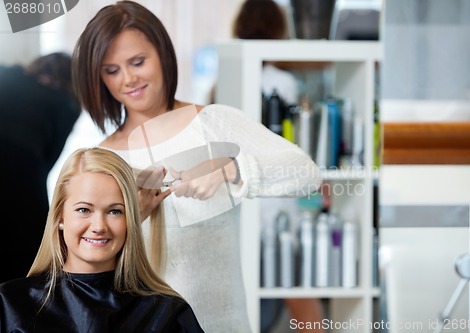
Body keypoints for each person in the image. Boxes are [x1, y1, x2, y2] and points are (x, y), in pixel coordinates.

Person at [72, 1, 322, 332]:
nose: (128, 79)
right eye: (112, 70)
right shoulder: (104, 158)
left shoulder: (213, 124)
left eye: (137, 62)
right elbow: (87, 265)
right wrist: (133, 218)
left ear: (162, 54)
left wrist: (229, 169)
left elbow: (306, 174)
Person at [0, 147, 205, 332]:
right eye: (83, 210)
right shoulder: (10, 305)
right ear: (60, 217)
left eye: (115, 211)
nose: (99, 227)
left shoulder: (168, 314)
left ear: (131, 219)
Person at [232, 1, 327, 333]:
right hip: (276, 197)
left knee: (249, 295)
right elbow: (292, 147)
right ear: (278, 29)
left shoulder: (230, 76)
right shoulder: (282, 82)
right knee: (296, 288)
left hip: (240, 198)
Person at [0, 52, 81, 283]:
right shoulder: (66, 105)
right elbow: (49, 160)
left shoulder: (6, 74)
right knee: (22, 274)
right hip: (22, 189)